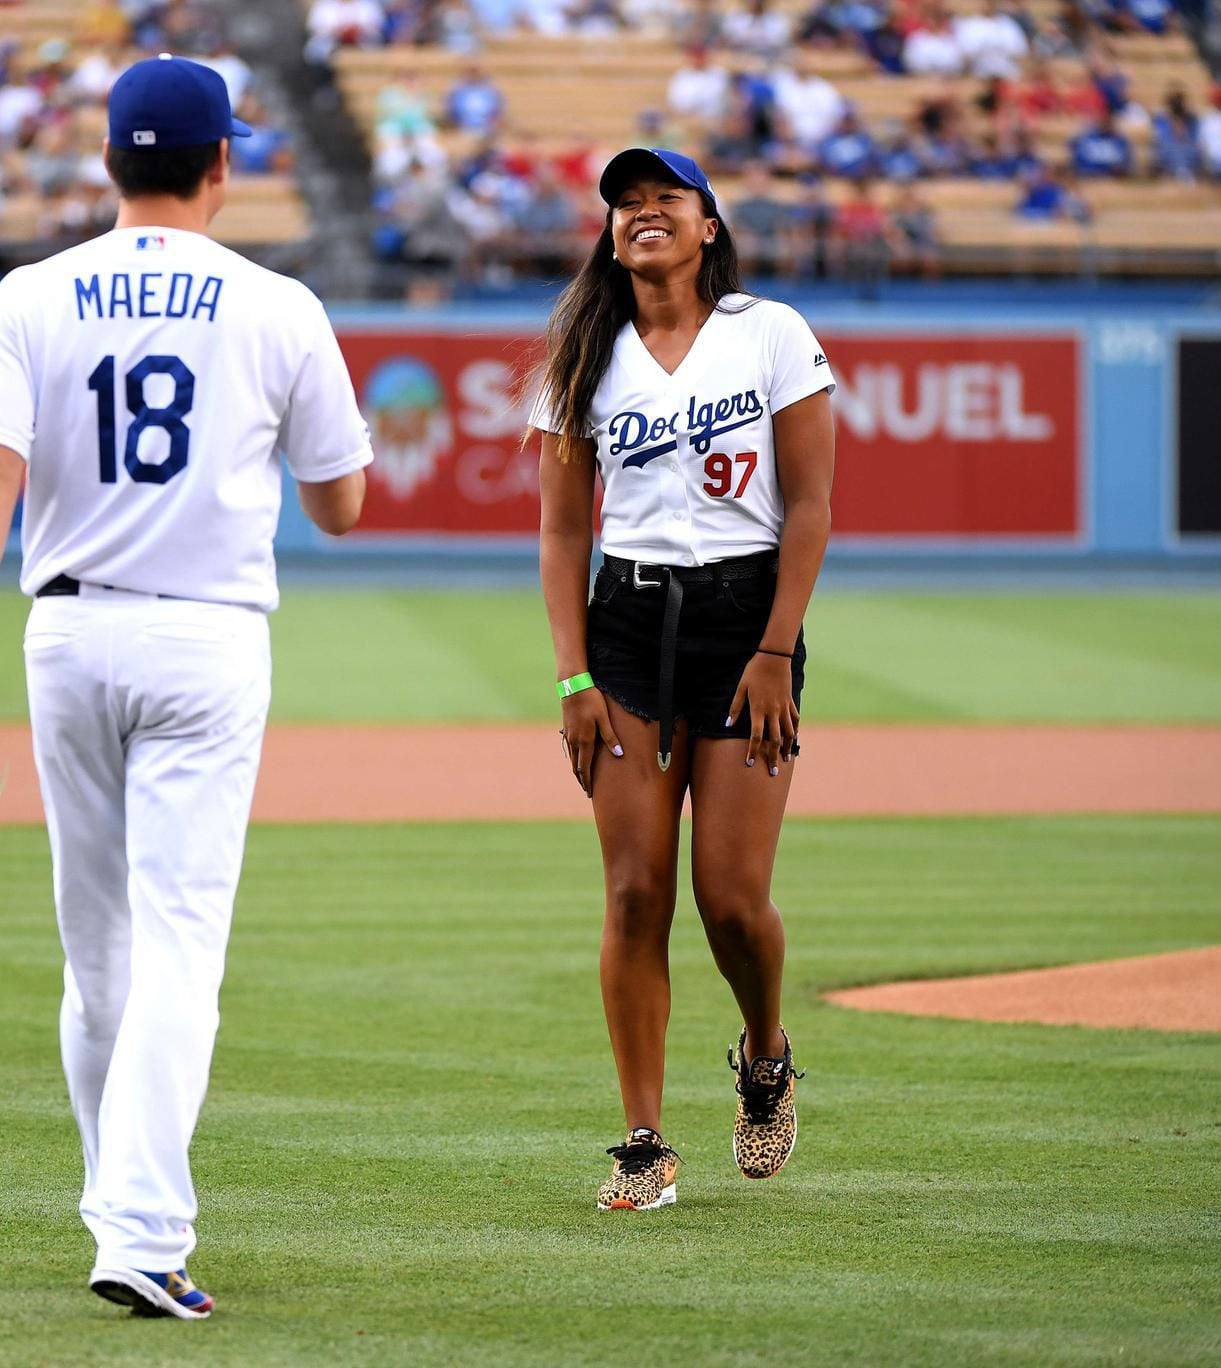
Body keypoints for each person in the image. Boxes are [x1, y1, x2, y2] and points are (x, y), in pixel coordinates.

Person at [0, 54, 370, 1319]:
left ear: (111, 161)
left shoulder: (34, 291)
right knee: (179, 944)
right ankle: (138, 1229)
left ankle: (114, 1200)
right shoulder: (276, 304)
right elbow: (341, 507)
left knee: (99, 957)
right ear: (222, 163)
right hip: (206, 641)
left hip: (62, 637)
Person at [527, 146, 831, 1212]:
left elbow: (811, 507)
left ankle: (765, 1056)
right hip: (627, 628)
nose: (641, 210)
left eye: (665, 197)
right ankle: (644, 1142)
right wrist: (572, 679)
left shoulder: (771, 334)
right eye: (623, 202)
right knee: (633, 892)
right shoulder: (583, 351)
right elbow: (565, 531)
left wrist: (778, 651)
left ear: (710, 226)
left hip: (745, 621)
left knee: (731, 901)